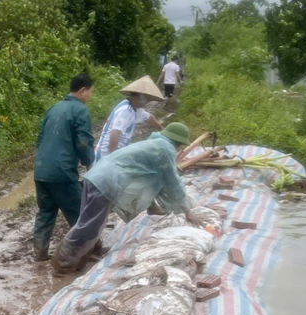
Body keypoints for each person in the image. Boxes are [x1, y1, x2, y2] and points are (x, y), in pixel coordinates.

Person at [52, 123, 193, 273]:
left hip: (96, 175)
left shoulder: (155, 143)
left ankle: (81, 260)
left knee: (89, 222)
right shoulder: (166, 150)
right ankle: (61, 264)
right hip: (107, 181)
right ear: (178, 142)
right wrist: (187, 210)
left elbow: (150, 180)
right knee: (89, 226)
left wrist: (153, 208)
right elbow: (172, 182)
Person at [32, 73, 96, 261]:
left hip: (41, 170)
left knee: (46, 212)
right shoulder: (80, 110)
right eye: (90, 93)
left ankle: (40, 253)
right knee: (79, 213)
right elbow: (84, 143)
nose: (90, 97)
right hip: (62, 172)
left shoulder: (53, 108)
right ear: (82, 91)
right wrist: (89, 165)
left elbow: (40, 139)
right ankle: (86, 252)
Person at [94, 76, 165, 161]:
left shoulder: (136, 109)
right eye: (146, 99)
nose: (147, 102)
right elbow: (114, 135)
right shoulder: (125, 111)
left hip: (116, 152)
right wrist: (111, 158)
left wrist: (162, 129)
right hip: (105, 154)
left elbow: (149, 118)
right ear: (138, 96)